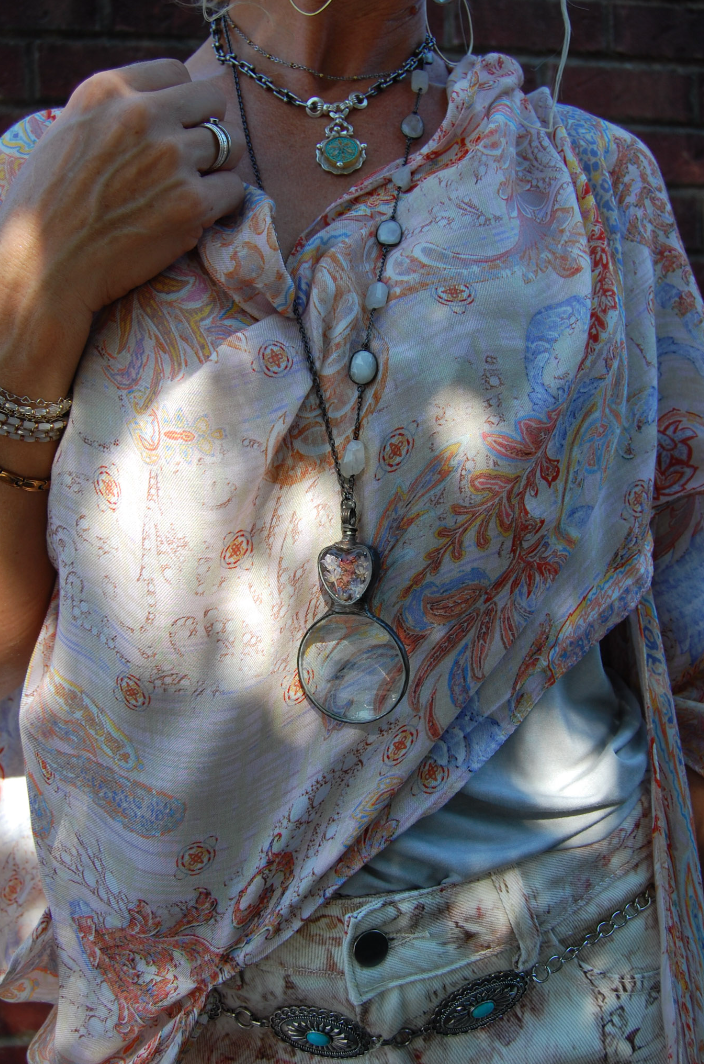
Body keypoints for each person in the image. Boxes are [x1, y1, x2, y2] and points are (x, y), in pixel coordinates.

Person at [0, 0, 702, 1060]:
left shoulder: (591, 189)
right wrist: (28, 302)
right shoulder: (53, 173)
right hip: (193, 1019)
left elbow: (685, 630)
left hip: (576, 989)